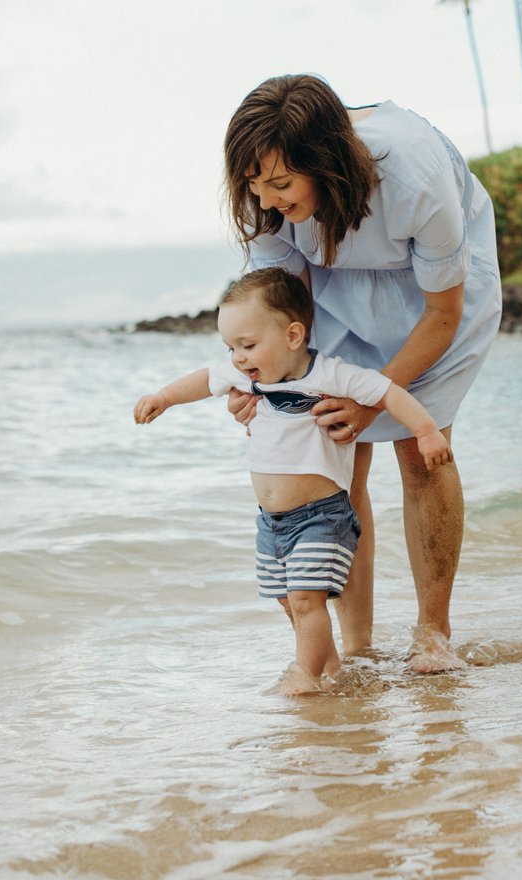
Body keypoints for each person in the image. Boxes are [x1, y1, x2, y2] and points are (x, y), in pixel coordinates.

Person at [220, 75, 502, 674]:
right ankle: (358, 648)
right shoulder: (271, 202)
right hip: (331, 287)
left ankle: (433, 634)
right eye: (254, 185)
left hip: (432, 297)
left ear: (327, 162)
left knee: (418, 449)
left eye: (281, 185)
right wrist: (266, 384)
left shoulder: (415, 180)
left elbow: (443, 312)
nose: (267, 201)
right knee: (335, 457)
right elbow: (281, 313)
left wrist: (379, 399)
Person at [132, 268, 451, 695]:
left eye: (248, 345)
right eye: (231, 348)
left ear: (293, 336)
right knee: (290, 603)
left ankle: (305, 676)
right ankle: (332, 668)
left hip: (322, 518)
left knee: (305, 599)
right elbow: (204, 380)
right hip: (271, 524)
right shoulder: (246, 378)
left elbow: (386, 392)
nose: (239, 359)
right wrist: (164, 398)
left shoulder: (330, 375)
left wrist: (426, 430)